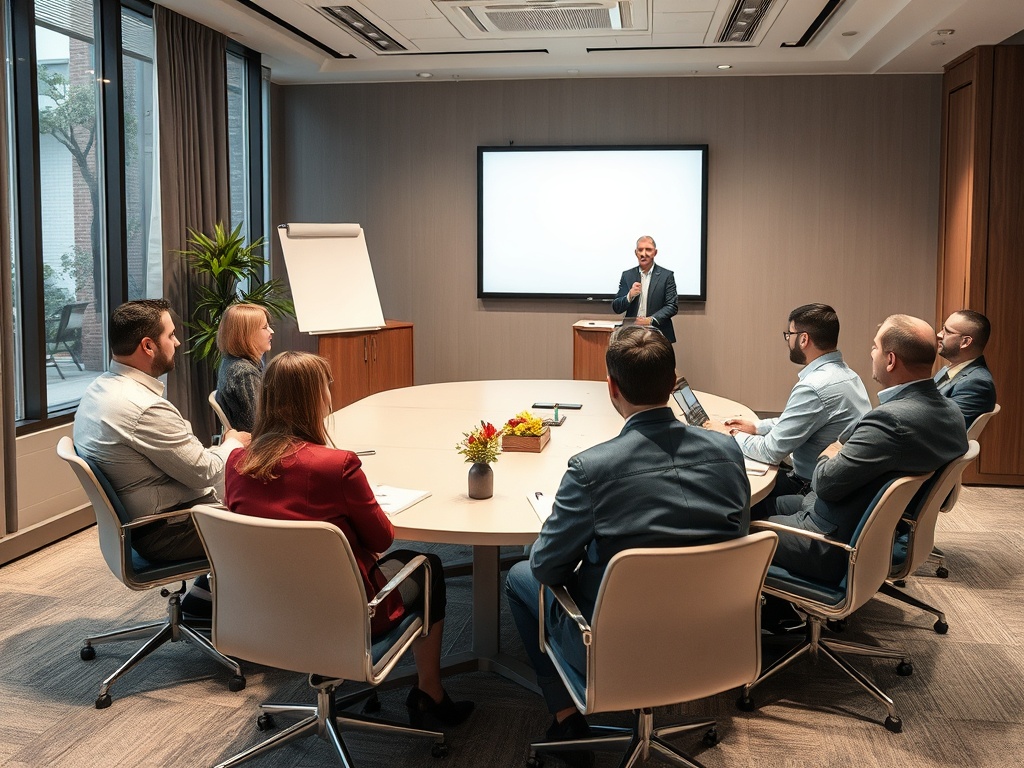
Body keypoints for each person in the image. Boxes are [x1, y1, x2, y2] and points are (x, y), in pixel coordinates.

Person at [504, 326, 749, 767]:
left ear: (612, 388)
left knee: (521, 574)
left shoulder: (591, 469)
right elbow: (737, 542)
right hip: (713, 638)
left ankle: (566, 718)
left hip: (616, 649)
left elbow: (546, 569)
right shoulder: (728, 453)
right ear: (675, 382)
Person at [223, 351, 473, 728]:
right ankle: (430, 693)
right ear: (314, 398)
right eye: (326, 386)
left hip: (265, 611)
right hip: (347, 613)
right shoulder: (336, 465)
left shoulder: (237, 462)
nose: (330, 394)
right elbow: (382, 538)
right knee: (428, 566)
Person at [74, 300, 250, 615]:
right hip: (166, 531)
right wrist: (232, 442)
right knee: (274, 517)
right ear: (148, 345)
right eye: (170, 335)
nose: (177, 342)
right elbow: (206, 472)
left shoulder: (100, 389)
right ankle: (266, 625)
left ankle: (202, 601)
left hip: (144, 523)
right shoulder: (143, 407)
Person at [769, 314, 969, 585]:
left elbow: (825, 483)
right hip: (871, 528)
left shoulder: (890, 420)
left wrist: (833, 449)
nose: (870, 353)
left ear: (890, 360)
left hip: (831, 541)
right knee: (762, 502)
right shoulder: (951, 412)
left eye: (875, 347)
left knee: (731, 525)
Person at [711, 304, 871, 516]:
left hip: (810, 489)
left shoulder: (814, 386)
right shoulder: (847, 375)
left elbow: (770, 452)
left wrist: (729, 435)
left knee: (725, 493)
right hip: (844, 487)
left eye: (790, 334)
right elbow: (798, 420)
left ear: (804, 339)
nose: (788, 340)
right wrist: (757, 427)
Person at [215, 303, 275, 432]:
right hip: (260, 447)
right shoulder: (244, 373)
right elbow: (259, 425)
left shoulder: (230, 361)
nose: (271, 332)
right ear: (247, 335)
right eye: (265, 327)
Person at [934, 309, 996, 429]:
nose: (939, 335)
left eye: (947, 331)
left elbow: (946, 428)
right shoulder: (950, 368)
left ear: (965, 342)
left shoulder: (976, 383)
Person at [611, 235, 678, 343]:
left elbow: (672, 306)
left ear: (655, 252)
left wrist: (650, 320)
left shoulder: (666, 275)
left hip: (658, 333)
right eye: (640, 250)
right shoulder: (627, 275)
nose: (644, 254)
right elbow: (616, 307)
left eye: (648, 250)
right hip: (631, 335)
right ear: (635, 252)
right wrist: (629, 295)